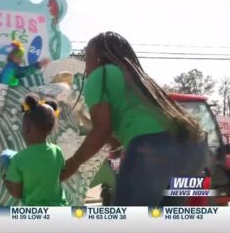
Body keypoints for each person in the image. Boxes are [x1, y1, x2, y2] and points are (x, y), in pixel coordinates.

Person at [60, 31, 208, 206]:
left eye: (87, 57)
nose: (85, 65)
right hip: (191, 148)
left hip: (152, 150)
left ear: (98, 57)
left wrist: (73, 163)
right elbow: (114, 139)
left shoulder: (101, 75)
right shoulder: (139, 79)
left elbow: (102, 130)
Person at [3, 94, 67, 206]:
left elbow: (16, 193)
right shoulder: (57, 151)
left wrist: (5, 176)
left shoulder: (18, 160)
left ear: (27, 127)